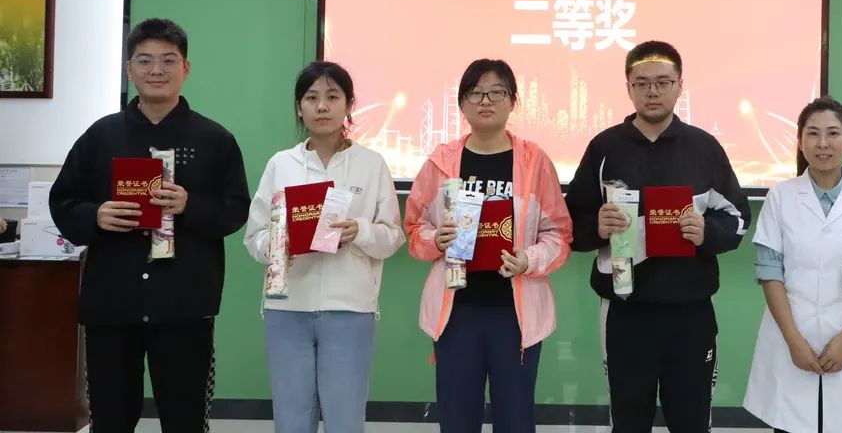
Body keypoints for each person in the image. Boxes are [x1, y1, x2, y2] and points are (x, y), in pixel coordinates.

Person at [49, 18, 250, 433]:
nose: (156, 70)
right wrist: (95, 216)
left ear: (185, 68)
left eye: (168, 60)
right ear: (129, 69)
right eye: (144, 60)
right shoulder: (100, 136)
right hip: (112, 303)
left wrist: (190, 205)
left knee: (185, 418)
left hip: (185, 304)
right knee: (110, 419)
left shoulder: (215, 140)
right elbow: (62, 201)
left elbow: (235, 211)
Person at [564, 40, 751, 433]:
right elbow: (568, 224)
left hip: (691, 310)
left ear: (680, 85)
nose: (653, 91)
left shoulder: (704, 148)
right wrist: (596, 227)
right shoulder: (604, 147)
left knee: (692, 421)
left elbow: (737, 218)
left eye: (663, 82)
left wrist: (707, 232)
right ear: (628, 87)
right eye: (643, 83)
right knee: (628, 422)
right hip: (624, 311)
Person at [405, 58, 572, 433]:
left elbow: (559, 234)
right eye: (475, 93)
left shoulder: (533, 161)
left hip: (516, 315)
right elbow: (415, 228)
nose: (486, 101)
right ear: (462, 104)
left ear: (513, 101)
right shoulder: (441, 162)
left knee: (515, 420)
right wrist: (436, 240)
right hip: (456, 313)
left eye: (497, 92)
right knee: (457, 420)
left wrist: (528, 259)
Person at [244, 61, 404, 433]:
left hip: (350, 309)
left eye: (333, 97)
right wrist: (279, 246)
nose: (321, 106)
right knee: (291, 418)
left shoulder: (371, 164)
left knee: (345, 419)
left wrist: (359, 231)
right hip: (287, 308)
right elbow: (254, 237)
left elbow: (392, 236)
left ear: (349, 105)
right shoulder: (281, 164)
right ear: (299, 106)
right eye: (311, 97)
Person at [743, 96, 842, 433]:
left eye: (833, 133)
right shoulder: (780, 196)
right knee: (791, 424)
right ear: (800, 141)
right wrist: (793, 340)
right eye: (813, 134)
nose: (823, 144)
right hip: (791, 336)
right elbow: (769, 273)